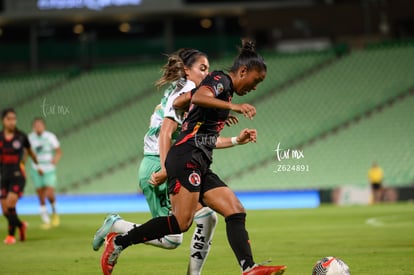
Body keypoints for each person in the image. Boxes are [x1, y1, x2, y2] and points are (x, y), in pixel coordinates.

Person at [100, 40, 287, 275]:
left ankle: (248, 268)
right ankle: (118, 242)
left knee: (235, 210)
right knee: (181, 223)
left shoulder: (224, 94)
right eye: (256, 80)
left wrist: (231, 131)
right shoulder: (221, 80)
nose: (255, 87)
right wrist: (235, 107)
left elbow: (186, 106)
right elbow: (199, 97)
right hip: (185, 157)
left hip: (199, 161)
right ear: (242, 71)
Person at [93, 48, 219, 275]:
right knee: (178, 234)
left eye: (208, 69)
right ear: (188, 71)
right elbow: (165, 132)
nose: (207, 74)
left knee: (198, 222)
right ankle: (117, 228)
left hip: (165, 161)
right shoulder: (189, 89)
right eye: (203, 69)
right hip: (159, 163)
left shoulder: (181, 88)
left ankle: (117, 227)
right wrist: (165, 169)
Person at [0, 108, 43, 244]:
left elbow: (30, 152)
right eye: (9, 119)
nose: (12, 122)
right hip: (4, 176)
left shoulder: (21, 136)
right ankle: (21, 225)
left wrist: (38, 166)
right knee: (5, 211)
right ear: (3, 120)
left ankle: (11, 236)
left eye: (14, 118)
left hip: (18, 175)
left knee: (11, 203)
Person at [28, 118, 62, 229]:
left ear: (44, 126)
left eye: (40, 125)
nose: (38, 127)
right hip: (36, 169)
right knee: (41, 196)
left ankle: (55, 213)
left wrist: (55, 161)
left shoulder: (50, 137)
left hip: (49, 169)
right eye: (36, 125)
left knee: (49, 194)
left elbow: (58, 151)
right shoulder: (30, 138)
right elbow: (27, 152)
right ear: (33, 127)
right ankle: (46, 220)